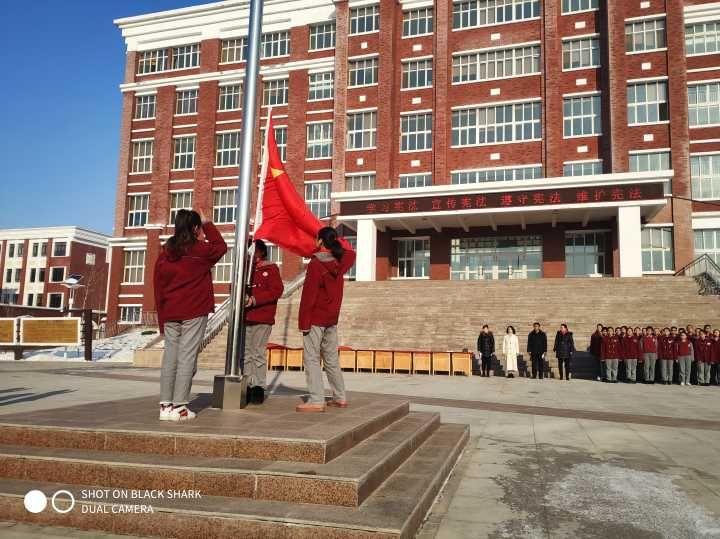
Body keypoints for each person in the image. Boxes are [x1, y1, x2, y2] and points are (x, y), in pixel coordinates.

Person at [154, 209, 227, 421]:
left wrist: (162, 319)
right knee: (187, 358)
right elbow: (221, 247)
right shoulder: (200, 250)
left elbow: (157, 287)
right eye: (200, 228)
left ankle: (166, 406)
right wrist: (208, 223)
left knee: (170, 359)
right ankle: (180, 407)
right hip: (194, 311)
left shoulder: (165, 253)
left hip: (170, 313)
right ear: (195, 228)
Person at [297, 227, 356, 413]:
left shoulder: (316, 264)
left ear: (321, 241)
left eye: (317, 238)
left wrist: (303, 322)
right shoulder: (340, 261)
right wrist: (335, 242)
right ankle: (340, 397)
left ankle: (316, 399)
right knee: (331, 358)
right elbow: (351, 253)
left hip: (316, 317)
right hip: (331, 317)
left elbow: (309, 296)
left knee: (311, 358)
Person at [243, 239, 284, 405]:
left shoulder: (270, 268)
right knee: (246, 354)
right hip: (246, 317)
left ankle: (258, 387)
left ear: (260, 252)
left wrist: (255, 299)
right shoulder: (245, 269)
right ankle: (246, 386)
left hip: (262, 317)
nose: (250, 254)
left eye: (252, 251)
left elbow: (277, 290)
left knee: (258, 353)